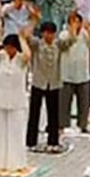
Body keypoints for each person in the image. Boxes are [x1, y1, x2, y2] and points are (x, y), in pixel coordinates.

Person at [0, 32, 31, 171]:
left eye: (11, 47)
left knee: (16, 132)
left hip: (17, 100)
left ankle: (16, 162)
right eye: (7, 47)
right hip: (1, 98)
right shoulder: (1, 57)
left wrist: (22, 39)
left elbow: (28, 55)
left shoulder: (21, 59)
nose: (8, 50)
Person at [26, 21, 74, 150]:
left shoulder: (58, 44)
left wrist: (72, 27)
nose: (49, 36)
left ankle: (53, 141)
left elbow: (70, 41)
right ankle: (31, 141)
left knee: (53, 113)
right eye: (47, 33)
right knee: (34, 112)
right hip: (38, 82)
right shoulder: (37, 44)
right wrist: (33, 20)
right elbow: (27, 37)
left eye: (52, 33)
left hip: (54, 83)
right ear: (42, 33)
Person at [59, 12, 90, 133]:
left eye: (78, 22)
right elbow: (64, 45)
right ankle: (62, 125)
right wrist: (72, 31)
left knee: (84, 103)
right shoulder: (63, 34)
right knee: (64, 102)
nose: (76, 24)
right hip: (67, 74)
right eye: (73, 22)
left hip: (83, 74)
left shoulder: (85, 35)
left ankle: (83, 125)